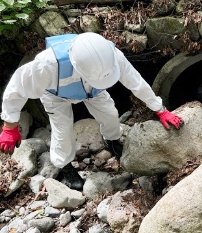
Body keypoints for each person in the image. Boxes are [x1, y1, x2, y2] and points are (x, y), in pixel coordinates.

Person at [0, 32, 184, 190]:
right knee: (62, 130)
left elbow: (136, 82)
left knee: (111, 114)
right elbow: (17, 87)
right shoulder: (48, 65)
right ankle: (65, 166)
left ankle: (111, 141)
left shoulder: (111, 55)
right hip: (56, 95)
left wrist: (160, 109)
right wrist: (10, 125)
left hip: (94, 91)